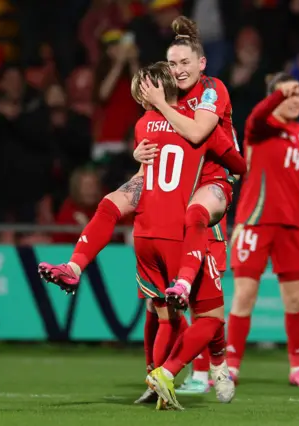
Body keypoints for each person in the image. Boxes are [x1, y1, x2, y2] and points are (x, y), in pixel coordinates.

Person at [36, 15, 237, 396]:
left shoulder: (209, 91)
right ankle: (169, 372)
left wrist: (157, 109)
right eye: (172, 64)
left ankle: (215, 365)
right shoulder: (164, 108)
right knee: (179, 306)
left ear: (201, 65)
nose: (177, 71)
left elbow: (197, 133)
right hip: (173, 201)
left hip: (206, 188)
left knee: (191, 304)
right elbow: (179, 137)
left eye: (183, 64)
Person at [123, 62, 239, 410]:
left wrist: (137, 155)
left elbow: (148, 173)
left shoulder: (152, 122)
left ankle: (189, 371)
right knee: (208, 313)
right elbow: (236, 162)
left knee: (163, 311)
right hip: (191, 229)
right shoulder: (193, 120)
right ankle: (181, 371)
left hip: (152, 228)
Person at [226, 74, 299, 388]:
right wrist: (279, 93)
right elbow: (255, 115)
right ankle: (231, 367)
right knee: (244, 298)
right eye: (289, 94)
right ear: (276, 97)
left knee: (295, 302)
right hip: (255, 222)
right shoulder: (260, 128)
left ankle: (298, 368)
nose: (296, 100)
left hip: (291, 228)